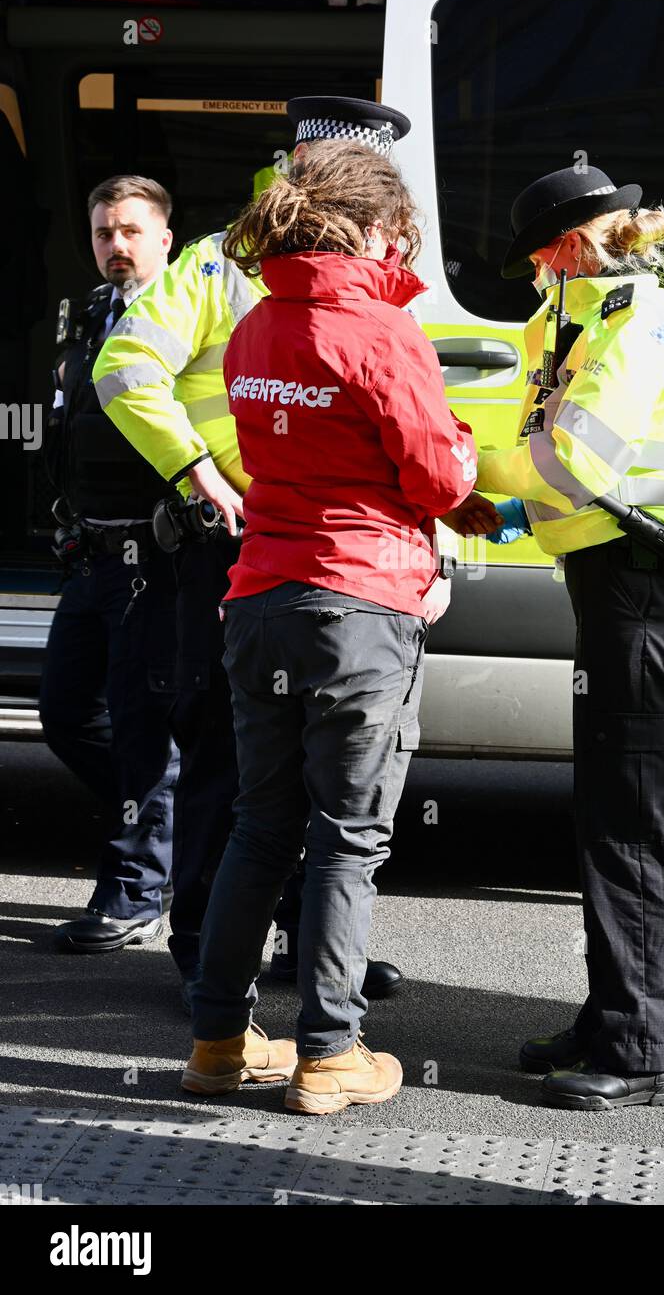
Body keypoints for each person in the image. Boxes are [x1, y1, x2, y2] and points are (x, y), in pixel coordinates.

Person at [91, 97, 411, 1008]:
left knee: (318, 768)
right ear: (318, 167)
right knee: (230, 758)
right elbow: (124, 368)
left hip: (323, 545)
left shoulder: (360, 259)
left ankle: (310, 952)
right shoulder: (225, 259)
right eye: (366, 181)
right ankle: (202, 951)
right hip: (235, 539)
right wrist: (198, 472)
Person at [180, 141, 477, 1109]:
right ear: (378, 225)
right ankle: (331, 1053)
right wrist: (464, 462)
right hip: (359, 601)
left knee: (260, 824)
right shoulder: (382, 331)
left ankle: (219, 1039)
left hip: (261, 594)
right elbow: (438, 477)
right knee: (347, 840)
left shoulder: (260, 321)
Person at [454, 164, 664, 1109]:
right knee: (608, 812)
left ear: (565, 250)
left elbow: (572, 455)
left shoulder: (632, 324)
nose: (530, 279)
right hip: (620, 579)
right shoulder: (594, 317)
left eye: (535, 261)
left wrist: (460, 467)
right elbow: (582, 469)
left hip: (642, 588)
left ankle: (643, 1050)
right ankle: (615, 1015)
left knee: (629, 825)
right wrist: (520, 516)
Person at [40, 175, 179, 952]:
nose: (116, 246)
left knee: (141, 728)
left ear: (164, 237)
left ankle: (135, 891)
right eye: (103, 233)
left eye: (130, 231)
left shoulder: (185, 315)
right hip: (92, 553)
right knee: (65, 715)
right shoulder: (91, 316)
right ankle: (169, 825)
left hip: (151, 554)